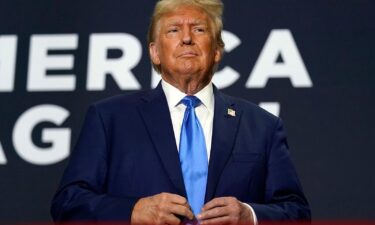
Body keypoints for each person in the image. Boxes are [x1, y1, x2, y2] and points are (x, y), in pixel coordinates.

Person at [51, 0, 311, 224]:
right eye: (173, 30)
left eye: (199, 29)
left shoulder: (262, 126)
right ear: (154, 52)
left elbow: (297, 212)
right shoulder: (109, 118)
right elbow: (68, 204)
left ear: (218, 50)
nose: (187, 38)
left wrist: (250, 216)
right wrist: (132, 211)